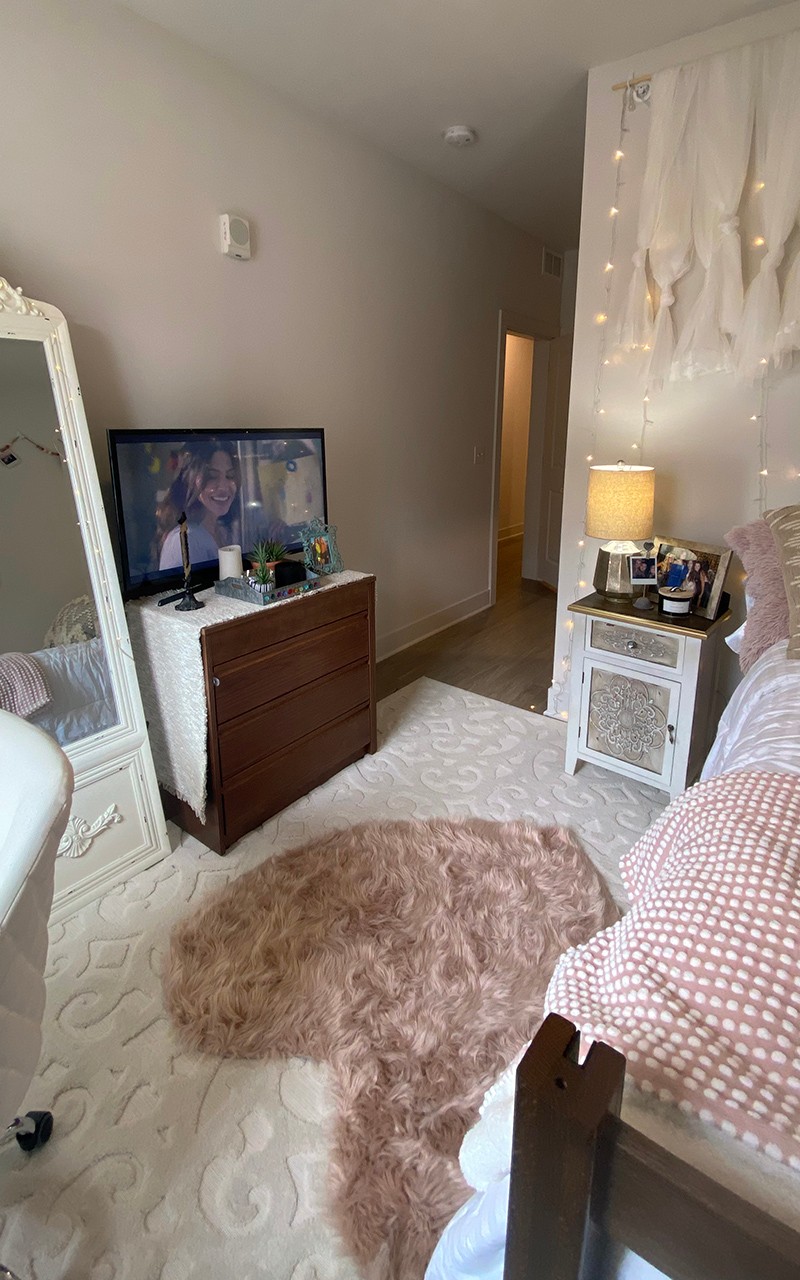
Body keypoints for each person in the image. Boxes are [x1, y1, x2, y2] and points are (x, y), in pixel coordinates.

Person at [157, 440, 241, 571]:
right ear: (191, 479)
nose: (224, 486)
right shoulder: (188, 539)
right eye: (212, 476)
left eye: (230, 476)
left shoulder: (224, 531)